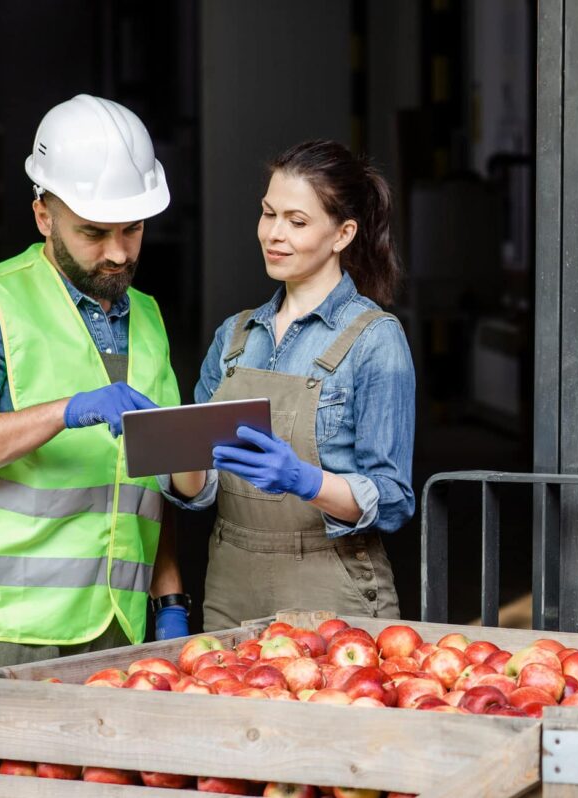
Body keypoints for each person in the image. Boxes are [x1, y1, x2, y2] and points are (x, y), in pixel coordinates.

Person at [0, 94, 208, 670]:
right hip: (2, 631)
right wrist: (66, 410)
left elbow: (155, 477)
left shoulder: (145, 315)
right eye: (94, 232)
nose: (118, 253)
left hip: (121, 626)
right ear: (44, 215)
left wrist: (168, 595)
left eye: (134, 229)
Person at [193, 140, 416, 630]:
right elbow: (202, 485)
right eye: (268, 214)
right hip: (230, 582)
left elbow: (394, 498)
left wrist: (306, 481)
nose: (274, 234)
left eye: (296, 222)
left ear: (343, 234)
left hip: (330, 584)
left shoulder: (375, 339)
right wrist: (170, 449)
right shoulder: (234, 337)